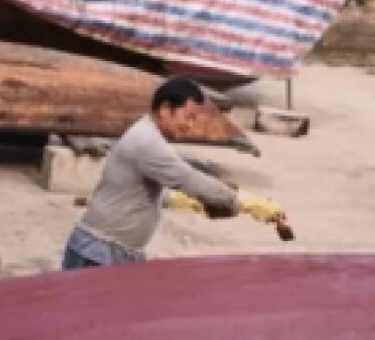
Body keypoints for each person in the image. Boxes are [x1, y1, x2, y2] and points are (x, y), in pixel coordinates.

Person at [61, 78, 241, 269]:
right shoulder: (146, 141)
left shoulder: (148, 135)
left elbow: (156, 192)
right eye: (188, 116)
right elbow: (186, 178)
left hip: (114, 251)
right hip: (98, 252)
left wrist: (199, 201)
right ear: (165, 109)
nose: (190, 125)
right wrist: (233, 200)